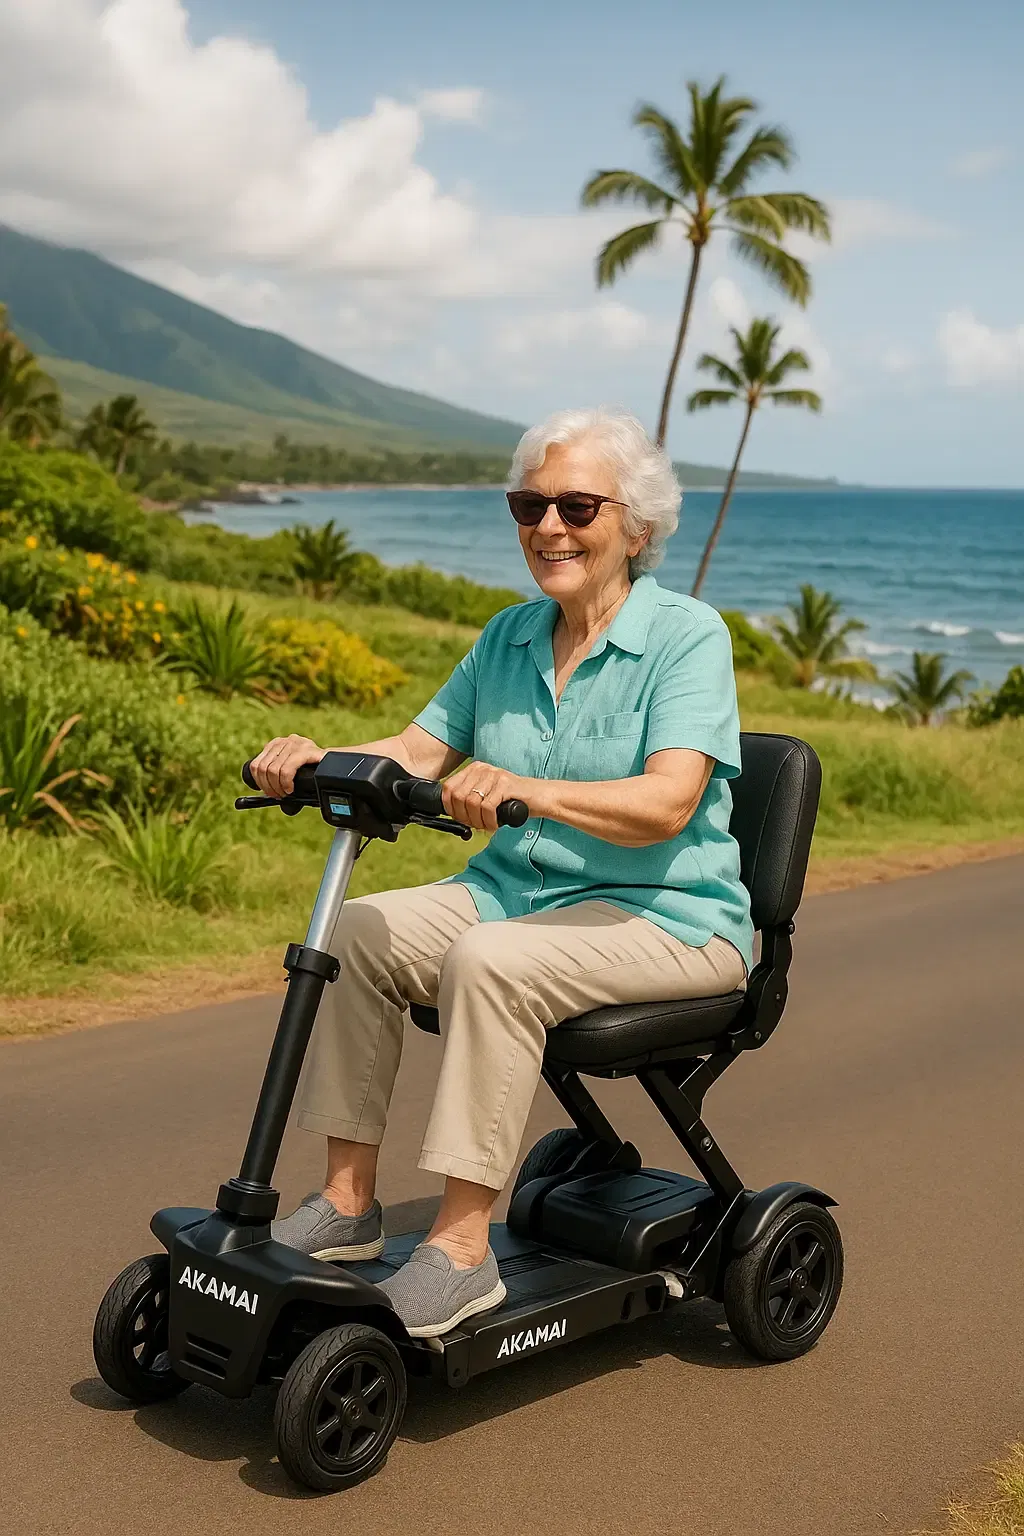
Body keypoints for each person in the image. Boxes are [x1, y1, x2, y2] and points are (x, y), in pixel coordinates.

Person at [250, 406, 753, 1339]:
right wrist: (313, 757)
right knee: (362, 932)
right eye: (529, 505)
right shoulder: (508, 637)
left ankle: (461, 1252)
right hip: (518, 897)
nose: (549, 527)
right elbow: (414, 748)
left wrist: (532, 788)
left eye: (577, 505)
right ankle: (348, 1204)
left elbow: (669, 803)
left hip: (670, 920)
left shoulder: (688, 637)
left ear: (634, 527)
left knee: (491, 959)